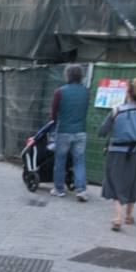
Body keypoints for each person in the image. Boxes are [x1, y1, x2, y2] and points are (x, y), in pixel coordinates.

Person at [98, 77, 136, 231]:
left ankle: (117, 218)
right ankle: (129, 216)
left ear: (127, 93)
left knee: (117, 182)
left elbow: (102, 132)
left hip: (118, 152)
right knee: (134, 182)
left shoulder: (117, 111)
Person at [49, 64, 90, 201]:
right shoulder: (86, 91)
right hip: (81, 131)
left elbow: (53, 114)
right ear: (80, 76)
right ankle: (81, 190)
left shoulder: (59, 92)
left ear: (68, 75)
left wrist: (52, 126)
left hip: (64, 131)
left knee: (60, 160)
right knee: (79, 160)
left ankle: (59, 189)